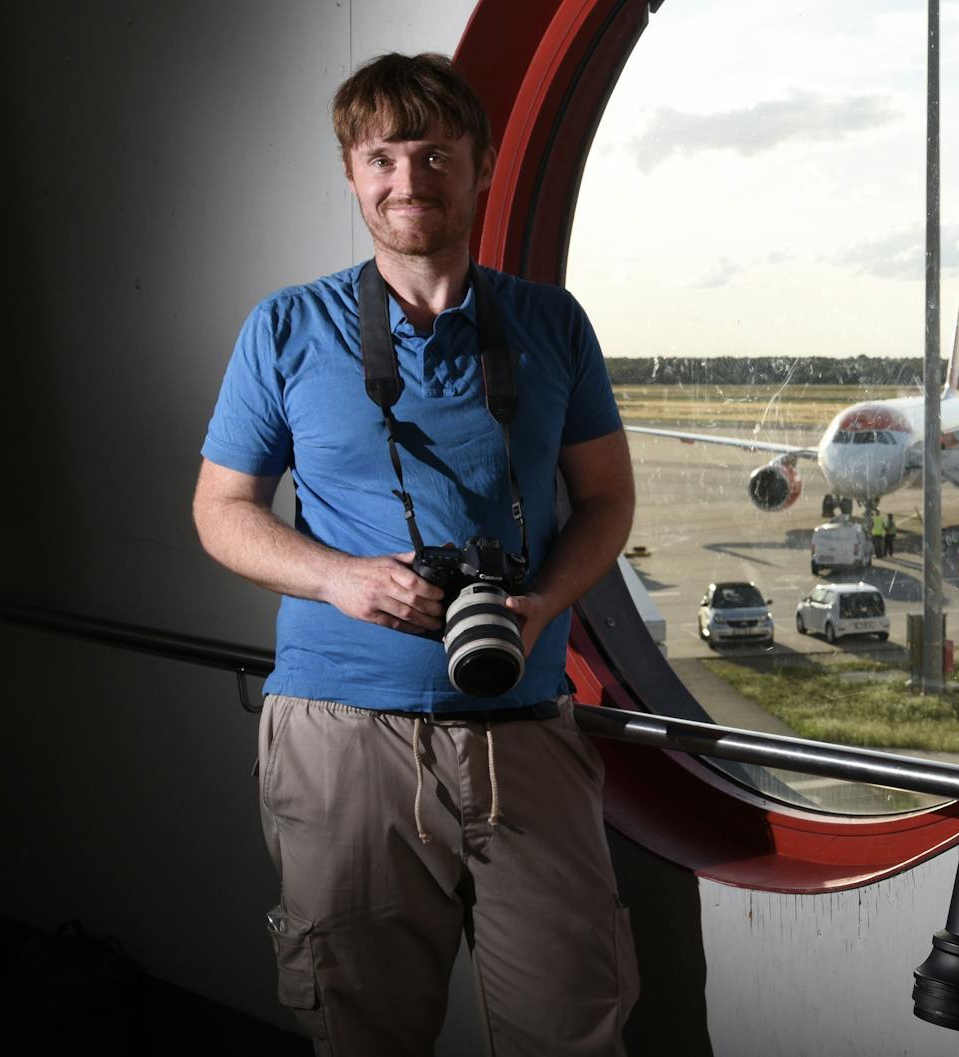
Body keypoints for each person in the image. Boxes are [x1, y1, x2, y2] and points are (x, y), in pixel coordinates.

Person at [192, 53, 638, 1054]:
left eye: (435, 153)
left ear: (479, 165)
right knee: (359, 1029)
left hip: (524, 725)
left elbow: (607, 501)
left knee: (571, 1025)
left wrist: (541, 603)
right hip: (340, 734)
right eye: (380, 157)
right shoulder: (286, 327)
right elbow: (221, 509)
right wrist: (338, 577)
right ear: (351, 174)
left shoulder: (551, 324)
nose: (407, 180)